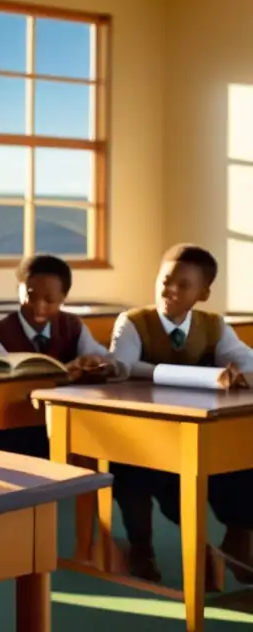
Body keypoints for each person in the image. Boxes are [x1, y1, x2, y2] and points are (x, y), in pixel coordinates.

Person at [110, 243, 253, 585]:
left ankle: (238, 539)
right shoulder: (133, 322)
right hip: (141, 431)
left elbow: (245, 359)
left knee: (242, 459)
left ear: (203, 293)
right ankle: (142, 548)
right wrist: (181, 374)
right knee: (135, 473)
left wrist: (243, 374)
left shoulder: (213, 325)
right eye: (165, 280)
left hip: (196, 427)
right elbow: (123, 365)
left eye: (183, 285)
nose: (170, 289)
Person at [0, 254, 124, 381]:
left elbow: (109, 361)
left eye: (50, 300)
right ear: (19, 289)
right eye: (31, 296)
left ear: (63, 298)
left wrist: (95, 361)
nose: (39, 307)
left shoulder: (72, 327)